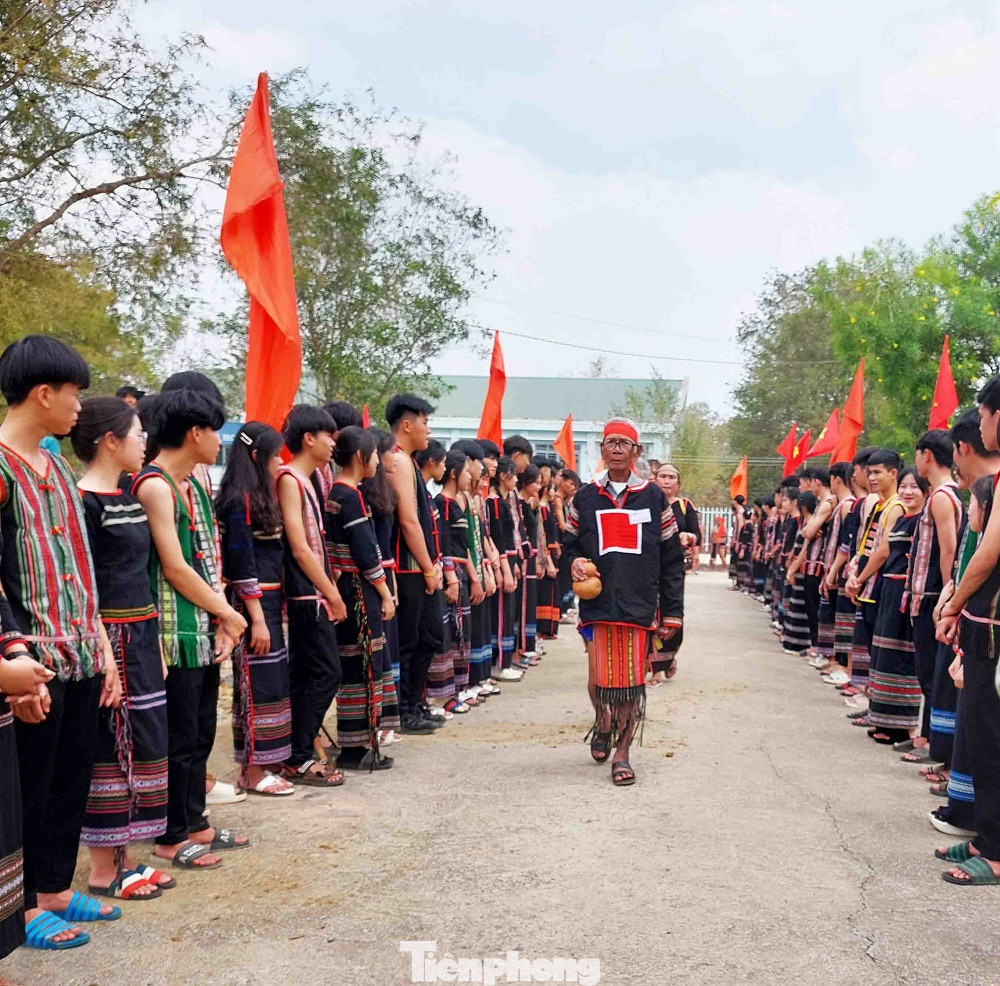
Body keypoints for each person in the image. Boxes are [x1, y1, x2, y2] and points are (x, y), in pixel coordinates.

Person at [0, 336, 123, 947]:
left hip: (80, 654)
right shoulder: (1, 469)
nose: (80, 406)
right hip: (33, 663)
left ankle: (53, 888)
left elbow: (83, 567)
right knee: (29, 785)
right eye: (74, 393)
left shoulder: (59, 471)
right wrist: (12, 656)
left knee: (71, 777)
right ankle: (20, 907)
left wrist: (102, 646)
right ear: (43, 393)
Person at [135, 387, 251, 871]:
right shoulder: (155, 485)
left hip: (202, 629)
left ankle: (195, 821)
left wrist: (221, 620)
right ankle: (170, 835)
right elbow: (176, 567)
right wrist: (228, 613)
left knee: (201, 733)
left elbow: (209, 560)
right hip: (172, 634)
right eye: (215, 431)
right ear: (195, 432)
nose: (220, 441)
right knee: (178, 740)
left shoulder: (194, 484)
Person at [72, 397, 172, 901]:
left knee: (143, 740)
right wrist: (106, 654)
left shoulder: (129, 497)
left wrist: (152, 643)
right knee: (111, 745)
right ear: (110, 441)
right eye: (136, 433)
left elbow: (143, 577)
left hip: (141, 635)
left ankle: (128, 857)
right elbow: (85, 586)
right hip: (107, 639)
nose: (143, 443)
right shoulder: (83, 503)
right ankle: (101, 868)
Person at [565, 418, 685, 787]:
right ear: (602, 450)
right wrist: (572, 563)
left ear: (636, 451)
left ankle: (623, 751)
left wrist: (674, 611)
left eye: (624, 443)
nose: (616, 448)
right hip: (598, 603)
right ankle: (602, 721)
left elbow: (671, 559)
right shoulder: (583, 498)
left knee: (632, 681)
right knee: (599, 676)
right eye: (610, 442)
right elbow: (567, 545)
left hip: (639, 602)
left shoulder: (653, 498)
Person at [935, 377, 1000, 883]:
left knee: (991, 733)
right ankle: (986, 834)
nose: (980, 426)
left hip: (994, 627)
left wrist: (952, 603)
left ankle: (996, 852)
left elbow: (988, 553)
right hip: (984, 623)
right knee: (979, 730)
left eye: (983, 415)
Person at [215, 422, 294, 796]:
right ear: (255, 456)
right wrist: (256, 620)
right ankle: (250, 769)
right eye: (275, 454)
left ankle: (269, 759)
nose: (280, 461)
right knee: (254, 686)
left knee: (273, 683)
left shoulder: (260, 495)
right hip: (252, 606)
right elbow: (242, 562)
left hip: (270, 601)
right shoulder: (239, 499)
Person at [275, 405, 348, 787]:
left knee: (308, 675)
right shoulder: (290, 479)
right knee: (325, 673)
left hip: (315, 592)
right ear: (308, 438)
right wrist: (331, 592)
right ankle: (299, 755)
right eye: (328, 435)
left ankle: (296, 751)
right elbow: (301, 548)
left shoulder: (309, 480)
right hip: (306, 596)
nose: (333, 443)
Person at [326, 427, 397, 771]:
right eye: (374, 455)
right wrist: (385, 592)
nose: (377, 462)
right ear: (360, 457)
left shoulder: (336, 492)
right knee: (364, 663)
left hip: (346, 586)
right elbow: (366, 552)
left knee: (357, 663)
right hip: (358, 590)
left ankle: (356, 741)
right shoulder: (350, 495)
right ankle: (356, 746)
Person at [900, 430, 962, 762]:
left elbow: (949, 549)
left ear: (927, 455)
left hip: (932, 596)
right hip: (927, 595)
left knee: (931, 676)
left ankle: (934, 745)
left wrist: (946, 598)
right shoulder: (944, 495)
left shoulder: (941, 497)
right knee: (927, 673)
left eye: (917, 455)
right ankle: (925, 736)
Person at [387, 395, 444, 735]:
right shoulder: (397, 462)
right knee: (411, 641)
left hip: (423, 567)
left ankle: (416, 701)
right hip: (409, 569)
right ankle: (405, 709)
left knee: (430, 637)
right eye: (425, 422)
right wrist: (427, 567)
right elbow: (408, 521)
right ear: (406, 425)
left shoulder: (406, 460)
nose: (428, 430)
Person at [864, 468, 928, 744]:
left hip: (905, 592)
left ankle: (903, 727)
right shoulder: (903, 520)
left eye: (914, 487)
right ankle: (883, 720)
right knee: (883, 655)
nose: (907, 492)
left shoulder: (923, 522)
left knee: (902, 657)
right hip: (889, 591)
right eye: (904, 486)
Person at [844, 449, 904, 695]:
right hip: (867, 584)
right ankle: (870, 699)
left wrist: (859, 577)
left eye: (878, 472)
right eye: (869, 473)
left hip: (879, 585)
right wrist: (853, 572)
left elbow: (883, 550)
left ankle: (874, 700)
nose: (872, 478)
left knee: (878, 648)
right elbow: (866, 544)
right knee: (869, 644)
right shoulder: (880, 504)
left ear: (893, 473)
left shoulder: (896, 505)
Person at [362, 427, 403, 746]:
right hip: (370, 581)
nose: (392, 457)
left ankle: (384, 719)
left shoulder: (386, 492)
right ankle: (371, 723)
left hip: (385, 578)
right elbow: (372, 548)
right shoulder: (362, 495)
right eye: (387, 452)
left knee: (385, 650)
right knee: (373, 653)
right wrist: (384, 588)